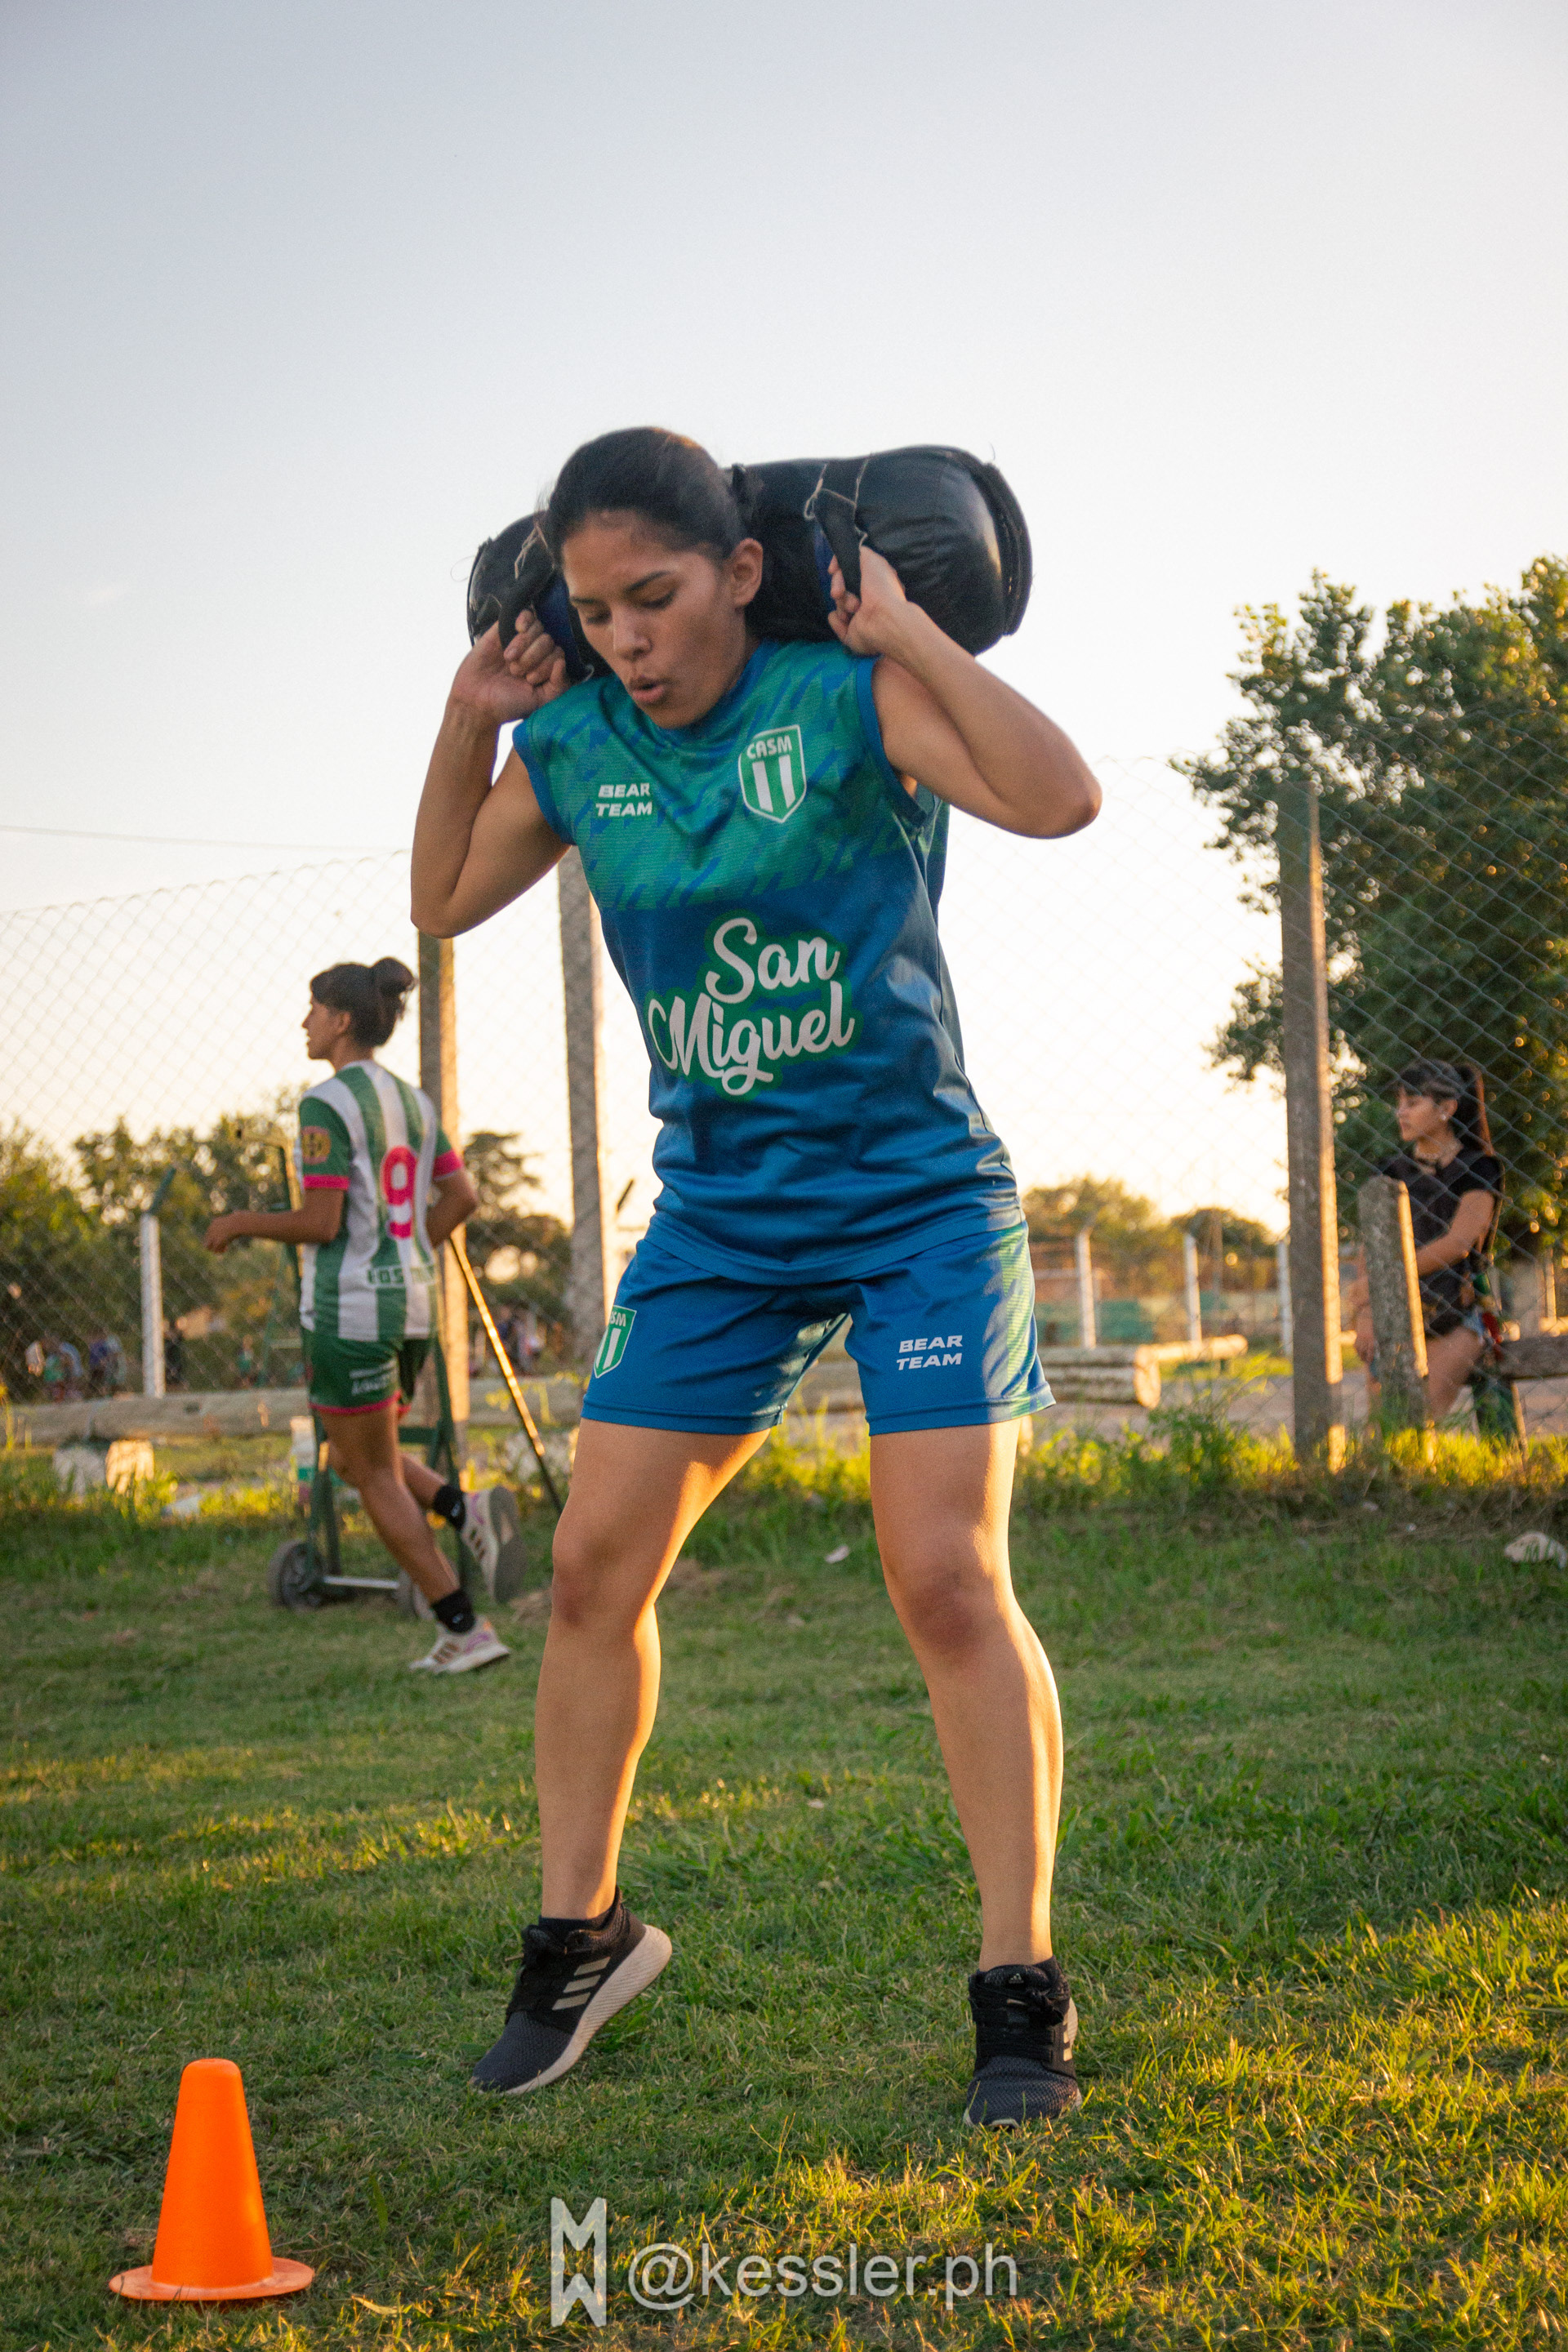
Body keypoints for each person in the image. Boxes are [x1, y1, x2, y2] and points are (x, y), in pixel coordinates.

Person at [412, 427, 1101, 2127]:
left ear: (737, 571)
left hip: (917, 1193)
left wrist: (909, 636)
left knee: (942, 1572)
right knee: (590, 1566)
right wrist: (467, 719)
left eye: (655, 595)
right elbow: (438, 895)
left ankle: (1020, 1985)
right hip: (721, 1215)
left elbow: (1060, 798)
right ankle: (583, 1938)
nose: (629, 637)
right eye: (595, 611)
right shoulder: (573, 750)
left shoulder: (844, 702)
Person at [203, 958, 517, 1673]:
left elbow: (322, 1220)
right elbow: (463, 1198)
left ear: (341, 1020)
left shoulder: (325, 1104)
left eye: (313, 1009)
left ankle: (465, 1629)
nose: (305, 1022)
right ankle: (463, 1511)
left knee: (369, 1473)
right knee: (353, 1456)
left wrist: (240, 1221)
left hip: (349, 1313)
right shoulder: (416, 1103)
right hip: (412, 1306)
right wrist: (402, 1253)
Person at [1344, 1058, 1502, 1422]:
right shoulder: (1390, 1169)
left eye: (1412, 1103)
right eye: (1398, 1103)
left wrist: (1384, 1281)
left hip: (1456, 1310)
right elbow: (1372, 1248)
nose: (1401, 1112)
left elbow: (1459, 1242)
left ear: (1447, 1108)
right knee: (1385, 1424)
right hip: (1392, 1309)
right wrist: (1366, 1313)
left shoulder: (1479, 1167)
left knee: (1418, 1417)